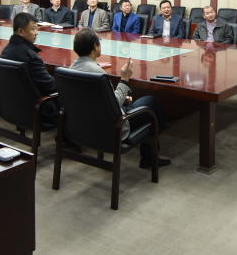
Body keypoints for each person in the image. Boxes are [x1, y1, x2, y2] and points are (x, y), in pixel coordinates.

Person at [70, 28, 170, 168]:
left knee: (144, 104)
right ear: (95, 46)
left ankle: (152, 149)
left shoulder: (71, 68)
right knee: (151, 103)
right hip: (113, 126)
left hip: (84, 124)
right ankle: (149, 156)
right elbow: (114, 105)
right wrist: (124, 79)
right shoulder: (98, 73)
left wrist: (122, 98)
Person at [1, 12, 59, 122]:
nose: (37, 33)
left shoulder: (6, 50)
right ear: (21, 31)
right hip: (38, 110)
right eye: (33, 29)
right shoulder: (30, 57)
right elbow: (50, 86)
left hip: (12, 106)